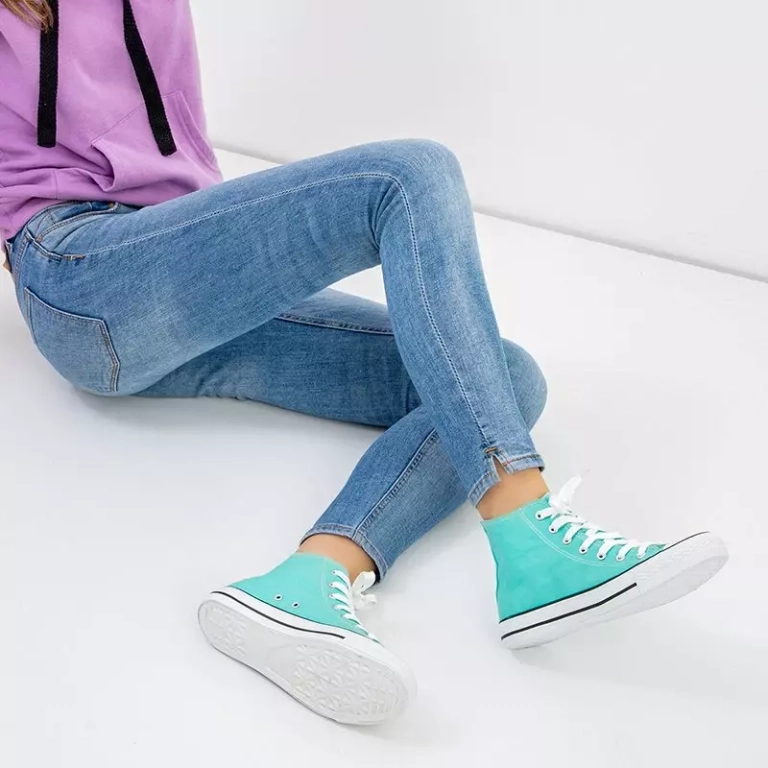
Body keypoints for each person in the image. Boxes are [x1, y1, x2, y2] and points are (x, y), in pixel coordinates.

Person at [0, 0, 728, 726]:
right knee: (408, 174)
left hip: (182, 271)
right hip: (79, 269)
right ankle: (526, 530)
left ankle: (308, 582)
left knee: (502, 380)